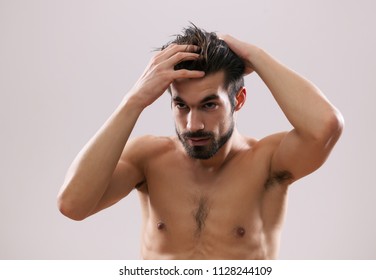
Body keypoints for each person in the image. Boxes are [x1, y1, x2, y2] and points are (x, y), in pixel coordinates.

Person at [57, 24, 344, 259]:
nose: (193, 125)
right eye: (181, 106)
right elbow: (73, 205)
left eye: (209, 105)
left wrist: (255, 55)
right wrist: (133, 101)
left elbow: (325, 125)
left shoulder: (267, 162)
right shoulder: (147, 158)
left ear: (238, 101)